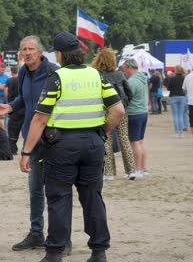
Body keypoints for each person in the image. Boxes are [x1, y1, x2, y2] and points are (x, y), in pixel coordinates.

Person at [20, 31, 124, 262]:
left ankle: (55, 253)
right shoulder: (97, 75)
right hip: (93, 144)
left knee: (59, 198)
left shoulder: (57, 78)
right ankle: (99, 251)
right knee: (92, 198)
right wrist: (101, 131)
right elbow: (118, 111)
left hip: (61, 145)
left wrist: (27, 151)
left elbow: (40, 119)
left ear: (59, 54)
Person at [0, 36, 72, 254]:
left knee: (58, 191)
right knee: (35, 189)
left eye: (31, 49)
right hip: (32, 139)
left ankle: (64, 239)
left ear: (40, 52)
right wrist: (9, 107)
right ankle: (37, 233)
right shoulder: (24, 72)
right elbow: (24, 101)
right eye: (23, 49)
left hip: (55, 140)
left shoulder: (54, 72)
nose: (27, 53)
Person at [91, 47, 136, 181]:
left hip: (105, 111)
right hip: (121, 110)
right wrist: (124, 105)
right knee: (124, 139)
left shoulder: (97, 75)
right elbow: (129, 93)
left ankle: (109, 173)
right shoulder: (120, 75)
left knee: (107, 140)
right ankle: (131, 171)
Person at [121, 59, 149, 180]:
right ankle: (142, 168)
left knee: (134, 142)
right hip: (143, 112)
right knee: (140, 142)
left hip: (134, 113)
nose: (124, 72)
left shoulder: (132, 81)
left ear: (129, 67)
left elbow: (127, 98)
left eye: (124, 69)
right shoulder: (142, 78)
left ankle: (137, 170)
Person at [5, 66, 25, 154]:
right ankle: (26, 147)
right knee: (26, 128)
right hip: (25, 107)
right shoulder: (24, 80)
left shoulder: (9, 80)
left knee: (13, 128)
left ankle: (13, 148)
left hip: (14, 107)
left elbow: (6, 92)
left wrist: (8, 103)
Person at [167, 65, 187, 138]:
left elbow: (168, 88)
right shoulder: (184, 78)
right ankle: (181, 132)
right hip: (182, 96)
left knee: (175, 115)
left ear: (175, 70)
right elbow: (186, 88)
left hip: (173, 96)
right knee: (181, 115)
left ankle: (177, 132)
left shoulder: (172, 78)